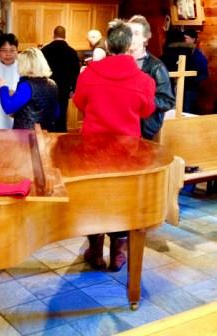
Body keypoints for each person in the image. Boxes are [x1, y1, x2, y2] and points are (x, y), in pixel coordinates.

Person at [73, 19, 156, 271]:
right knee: (121, 203)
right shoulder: (143, 80)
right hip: (126, 154)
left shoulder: (89, 73)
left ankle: (95, 251)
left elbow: (79, 103)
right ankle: (117, 253)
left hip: (92, 152)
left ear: (107, 44)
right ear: (130, 45)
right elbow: (147, 110)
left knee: (93, 199)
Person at [127, 15, 175, 139]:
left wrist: (142, 98)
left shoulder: (156, 66)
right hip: (121, 126)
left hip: (143, 128)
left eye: (136, 33)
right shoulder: (119, 62)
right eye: (129, 33)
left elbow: (167, 101)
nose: (131, 37)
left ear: (145, 38)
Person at [0, 47, 59, 131]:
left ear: (25, 65)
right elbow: (56, 113)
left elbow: (9, 107)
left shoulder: (27, 85)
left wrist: (3, 87)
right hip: (46, 134)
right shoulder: (52, 84)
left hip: (26, 136)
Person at [41, 26, 80, 132]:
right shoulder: (72, 52)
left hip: (46, 89)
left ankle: (46, 141)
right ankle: (60, 141)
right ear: (65, 36)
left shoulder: (44, 50)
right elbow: (76, 73)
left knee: (47, 118)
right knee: (61, 118)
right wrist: (73, 89)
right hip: (64, 90)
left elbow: (39, 70)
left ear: (53, 35)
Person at [183, 29, 208, 113]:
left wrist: (192, 80)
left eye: (186, 38)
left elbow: (205, 74)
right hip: (181, 88)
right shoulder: (183, 53)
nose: (184, 40)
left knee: (187, 111)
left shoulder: (199, 56)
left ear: (193, 39)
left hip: (191, 89)